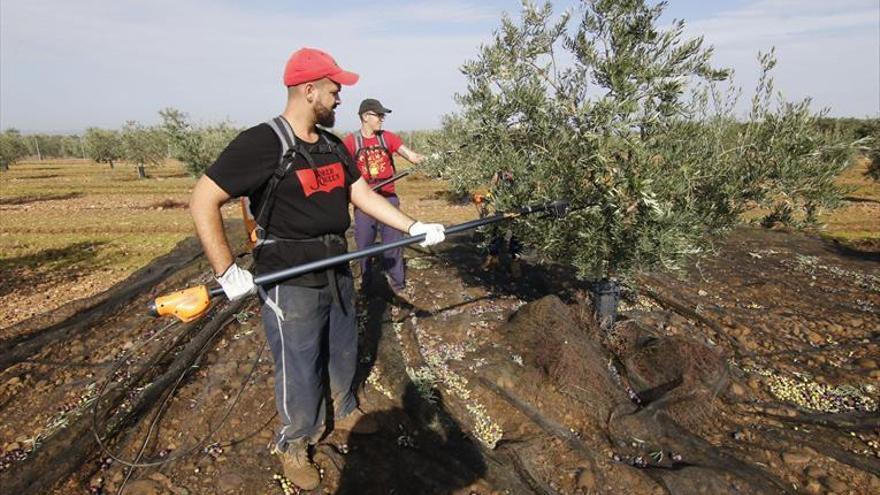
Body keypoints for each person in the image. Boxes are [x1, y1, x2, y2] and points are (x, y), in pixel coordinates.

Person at [188, 47, 446, 490]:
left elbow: (360, 194)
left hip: (336, 266)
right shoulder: (262, 142)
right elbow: (203, 199)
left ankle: (344, 410)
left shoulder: (330, 145)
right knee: (300, 361)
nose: (340, 99)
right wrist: (227, 271)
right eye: (334, 90)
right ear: (309, 91)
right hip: (290, 277)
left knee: (344, 345)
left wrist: (413, 226)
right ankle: (295, 440)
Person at [343, 99, 426, 296]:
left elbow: (412, 157)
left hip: (388, 198)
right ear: (365, 116)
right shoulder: (350, 142)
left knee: (394, 244)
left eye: (383, 115)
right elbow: (343, 172)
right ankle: (367, 283)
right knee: (364, 245)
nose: (382, 118)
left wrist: (433, 160)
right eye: (378, 115)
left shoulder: (388, 138)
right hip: (364, 201)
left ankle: (398, 285)